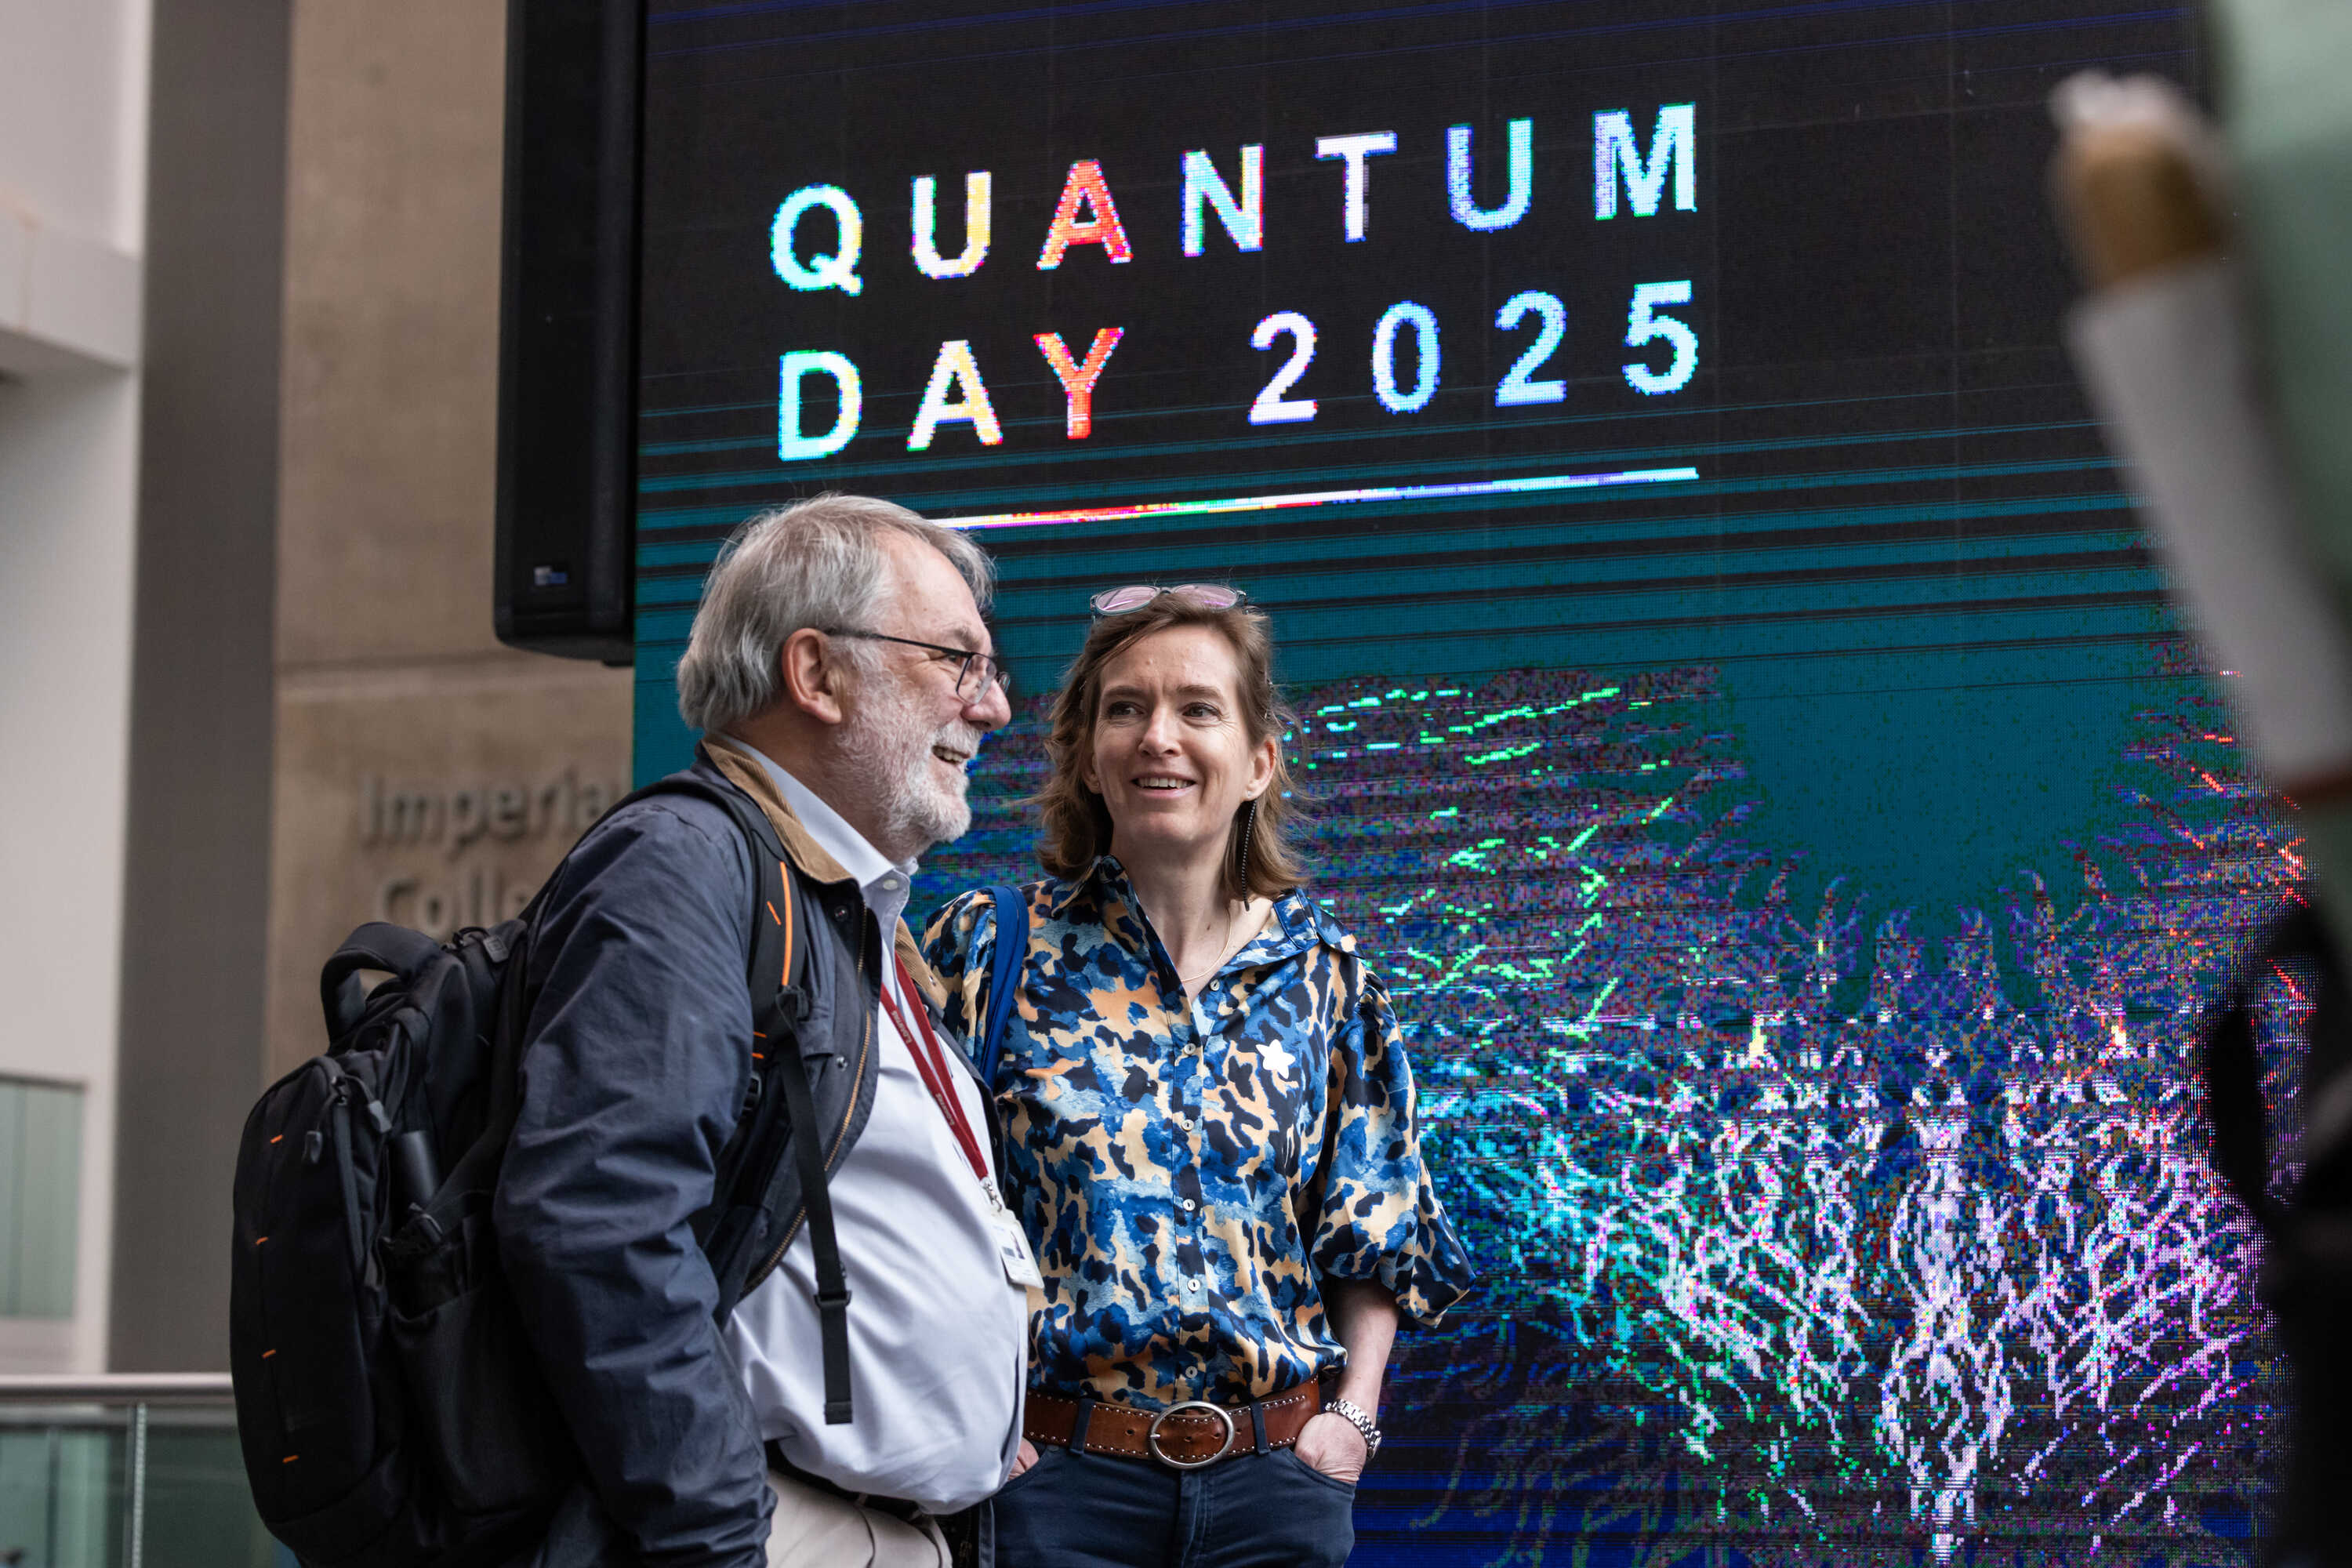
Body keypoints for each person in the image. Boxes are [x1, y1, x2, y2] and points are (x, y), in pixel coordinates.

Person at [495, 495, 1035, 1568]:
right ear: (817, 673)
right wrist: (720, 1542)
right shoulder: (685, 867)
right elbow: (599, 1227)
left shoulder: (843, 902)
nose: (996, 707)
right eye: (956, 660)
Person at [924, 584, 1475, 1567]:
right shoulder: (987, 948)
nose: (1157, 736)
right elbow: (908, 1217)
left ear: (1259, 760)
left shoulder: (1328, 979)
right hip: (1054, 1486)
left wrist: (1351, 1423)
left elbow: (1376, 1235)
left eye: (1198, 708)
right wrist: (966, 1427)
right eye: (1125, 707)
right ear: (1088, 755)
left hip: (1274, 1488)